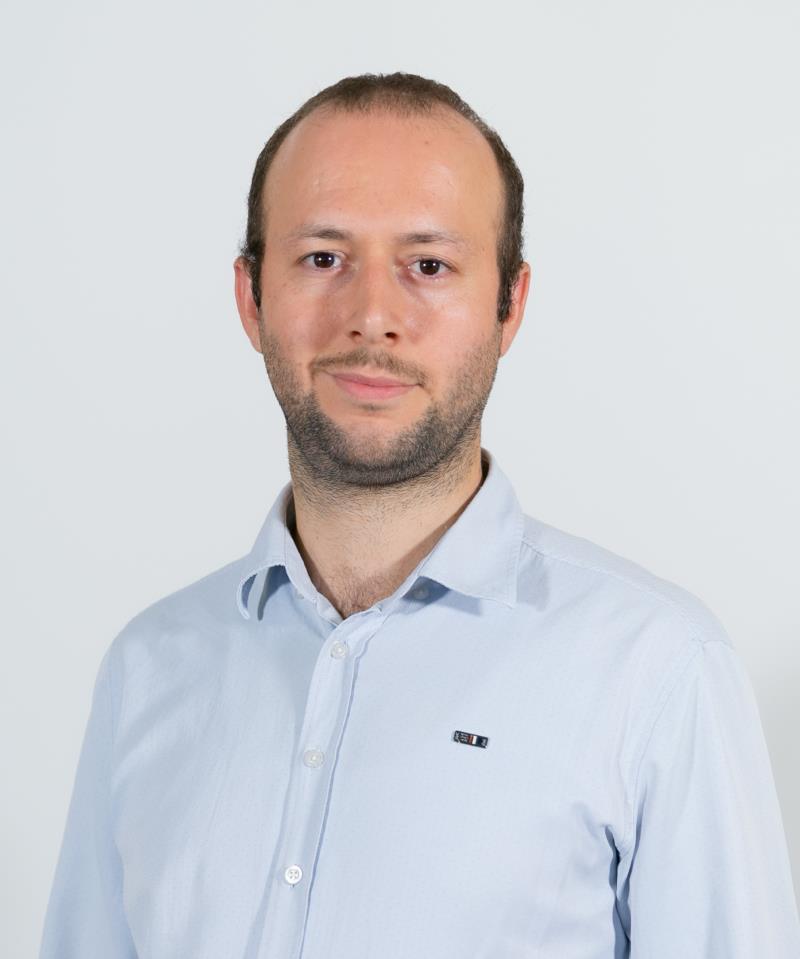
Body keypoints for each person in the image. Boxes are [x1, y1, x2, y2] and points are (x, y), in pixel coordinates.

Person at [40, 72, 800, 958]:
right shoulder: (147, 670)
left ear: (510, 306)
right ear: (251, 297)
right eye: (322, 258)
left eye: (429, 265)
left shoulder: (659, 673)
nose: (372, 316)